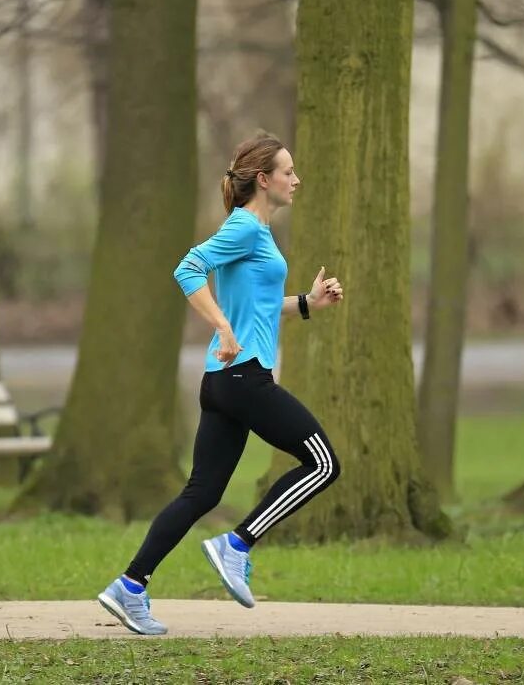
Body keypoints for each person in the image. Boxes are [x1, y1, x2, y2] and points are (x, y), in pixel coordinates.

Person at [97, 133, 344, 635]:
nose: (296, 180)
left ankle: (130, 586)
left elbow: (254, 306)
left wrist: (306, 303)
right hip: (243, 378)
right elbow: (187, 269)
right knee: (323, 463)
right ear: (264, 179)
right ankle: (237, 545)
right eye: (288, 171)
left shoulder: (256, 233)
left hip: (223, 381)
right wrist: (221, 327)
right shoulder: (245, 229)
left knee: (201, 493)